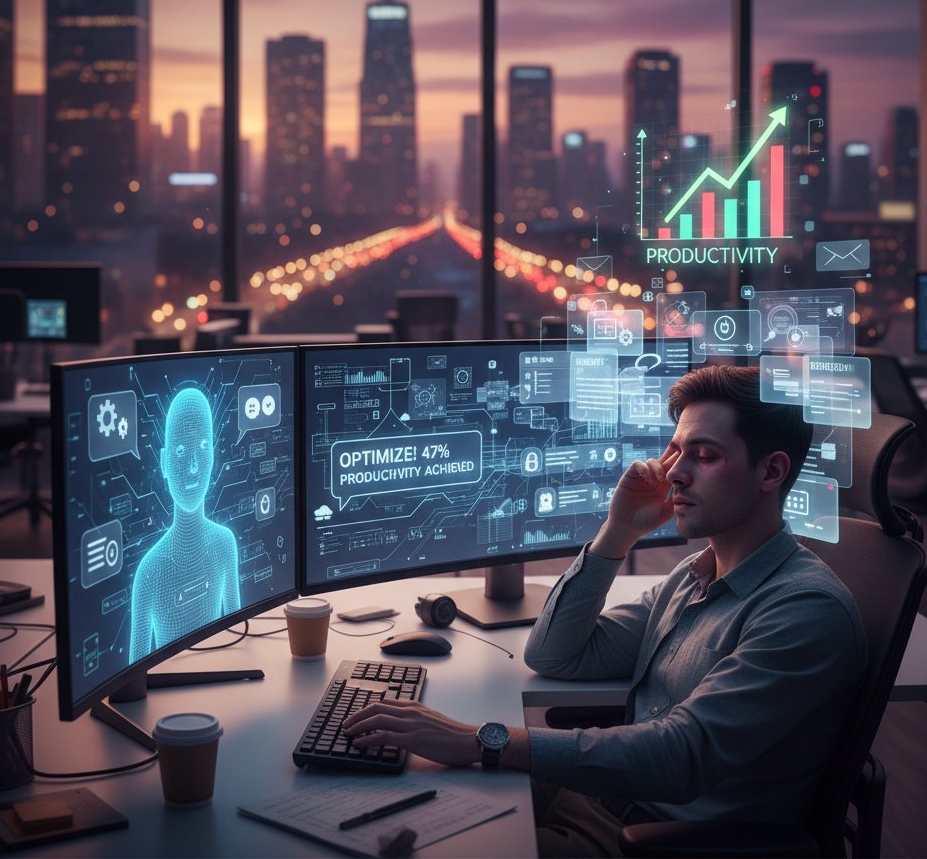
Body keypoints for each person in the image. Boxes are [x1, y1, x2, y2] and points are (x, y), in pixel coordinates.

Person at [341, 366, 867, 857]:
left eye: (704, 455)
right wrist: (618, 532)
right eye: (675, 451)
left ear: (771, 471)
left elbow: (681, 756)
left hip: (657, 840)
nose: (675, 474)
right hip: (598, 799)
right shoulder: (694, 576)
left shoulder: (804, 611)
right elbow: (555, 654)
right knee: (383, 808)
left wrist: (481, 740)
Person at [129, 387, 240, 662]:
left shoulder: (225, 543)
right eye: (180, 451)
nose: (193, 466)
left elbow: (240, 637)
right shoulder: (150, 571)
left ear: (212, 455)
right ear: (165, 463)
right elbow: (132, 675)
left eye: (202, 448)